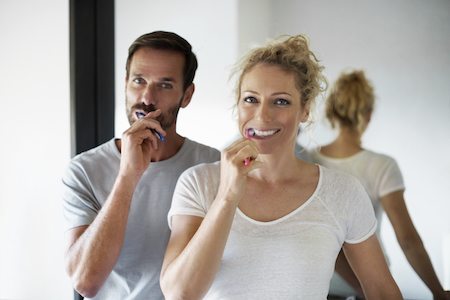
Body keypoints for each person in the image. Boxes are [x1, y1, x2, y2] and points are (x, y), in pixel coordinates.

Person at [159, 35, 402, 299]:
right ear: (238, 104)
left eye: (281, 101)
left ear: (305, 110)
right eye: (251, 99)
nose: (262, 116)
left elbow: (382, 291)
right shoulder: (198, 183)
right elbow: (180, 292)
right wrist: (228, 195)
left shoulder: (342, 191)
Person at [62, 31, 220, 299]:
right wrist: (128, 175)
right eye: (139, 81)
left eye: (165, 85)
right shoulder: (84, 170)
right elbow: (85, 281)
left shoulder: (213, 166)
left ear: (187, 95)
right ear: (125, 83)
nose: (147, 97)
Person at [303, 70, 450, 299]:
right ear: (368, 114)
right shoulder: (382, 166)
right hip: (371, 285)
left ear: (331, 111)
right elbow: (408, 240)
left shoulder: (308, 159)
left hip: (322, 287)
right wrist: (438, 292)